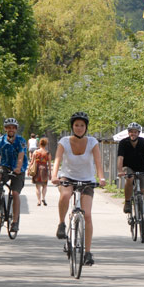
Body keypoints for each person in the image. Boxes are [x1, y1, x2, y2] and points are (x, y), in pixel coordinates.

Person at [52, 111, 106, 266]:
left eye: (82, 125)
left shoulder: (92, 142)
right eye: (76, 125)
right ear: (72, 126)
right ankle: (62, 223)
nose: (79, 128)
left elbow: (97, 161)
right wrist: (54, 175)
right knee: (65, 195)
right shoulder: (64, 141)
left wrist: (101, 178)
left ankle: (87, 252)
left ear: (86, 127)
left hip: (87, 180)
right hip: (67, 177)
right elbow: (57, 159)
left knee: (87, 215)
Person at [0, 118, 27, 233]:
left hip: (18, 170)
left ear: (16, 129)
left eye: (13, 127)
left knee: (15, 193)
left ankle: (15, 222)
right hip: (6, 166)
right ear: (5, 129)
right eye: (8, 127)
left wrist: (18, 168)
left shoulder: (21, 140)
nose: (11, 129)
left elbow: (21, 156)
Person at [117, 122, 144, 234]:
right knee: (129, 179)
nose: (133, 134)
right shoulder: (123, 143)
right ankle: (128, 202)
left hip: (141, 169)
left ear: (138, 133)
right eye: (131, 131)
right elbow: (120, 158)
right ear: (128, 132)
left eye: (135, 132)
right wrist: (120, 171)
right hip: (128, 167)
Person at [31, 137, 52, 206]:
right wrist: (50, 174)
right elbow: (49, 164)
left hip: (37, 169)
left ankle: (39, 201)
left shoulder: (36, 152)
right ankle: (43, 198)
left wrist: (29, 170)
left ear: (39, 144)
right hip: (44, 170)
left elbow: (32, 162)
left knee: (38, 187)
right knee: (44, 186)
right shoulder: (47, 153)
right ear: (46, 144)